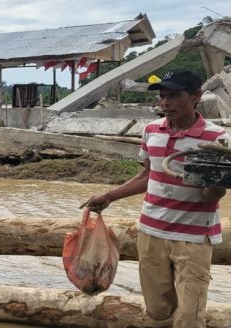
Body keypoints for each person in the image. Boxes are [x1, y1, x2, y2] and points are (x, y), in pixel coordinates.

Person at [83, 69, 229, 328]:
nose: (165, 103)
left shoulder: (217, 138)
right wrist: (109, 196)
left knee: (190, 315)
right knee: (157, 310)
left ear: (196, 96)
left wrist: (220, 180)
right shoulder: (152, 131)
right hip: (151, 232)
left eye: (173, 96)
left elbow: (209, 196)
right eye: (162, 96)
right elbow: (148, 175)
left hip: (193, 237)